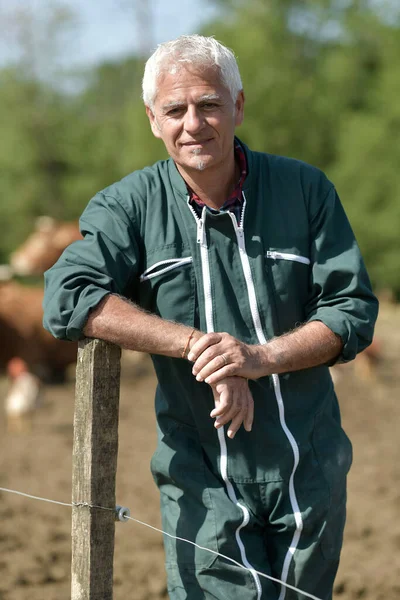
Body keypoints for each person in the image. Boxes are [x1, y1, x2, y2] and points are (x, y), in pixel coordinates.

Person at [43, 35, 378, 600]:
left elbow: (350, 309)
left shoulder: (305, 190)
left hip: (308, 467)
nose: (193, 124)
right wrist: (199, 345)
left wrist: (258, 359)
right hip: (200, 475)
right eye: (175, 110)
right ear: (153, 119)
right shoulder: (128, 206)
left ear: (238, 106)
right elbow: (69, 293)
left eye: (209, 104)